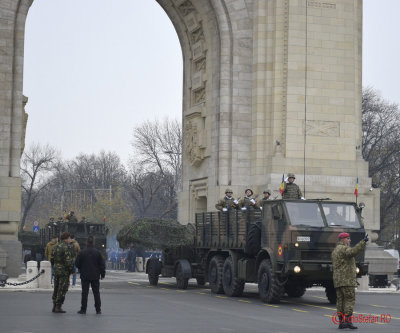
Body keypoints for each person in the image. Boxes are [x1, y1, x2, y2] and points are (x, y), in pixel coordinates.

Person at [331, 232, 368, 329]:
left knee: (340, 301)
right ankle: (347, 321)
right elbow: (353, 252)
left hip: (338, 281)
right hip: (346, 279)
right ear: (342, 240)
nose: (349, 240)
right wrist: (363, 242)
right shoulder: (343, 249)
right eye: (348, 238)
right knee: (349, 299)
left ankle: (341, 321)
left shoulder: (335, 250)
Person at [75, 236, 106, 315]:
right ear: (94, 243)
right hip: (95, 275)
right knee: (96, 293)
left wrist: (81, 268)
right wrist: (102, 274)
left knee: (85, 293)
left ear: (86, 243)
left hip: (85, 275)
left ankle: (83, 309)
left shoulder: (82, 252)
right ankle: (98, 310)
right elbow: (102, 265)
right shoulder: (98, 252)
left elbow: (77, 263)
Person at [51, 232, 74, 313]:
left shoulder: (55, 246)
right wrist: (72, 270)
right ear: (66, 239)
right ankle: (58, 306)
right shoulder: (66, 247)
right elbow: (68, 261)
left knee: (56, 287)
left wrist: (55, 266)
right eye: (69, 238)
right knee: (62, 288)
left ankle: (54, 305)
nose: (70, 240)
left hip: (56, 270)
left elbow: (52, 259)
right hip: (64, 271)